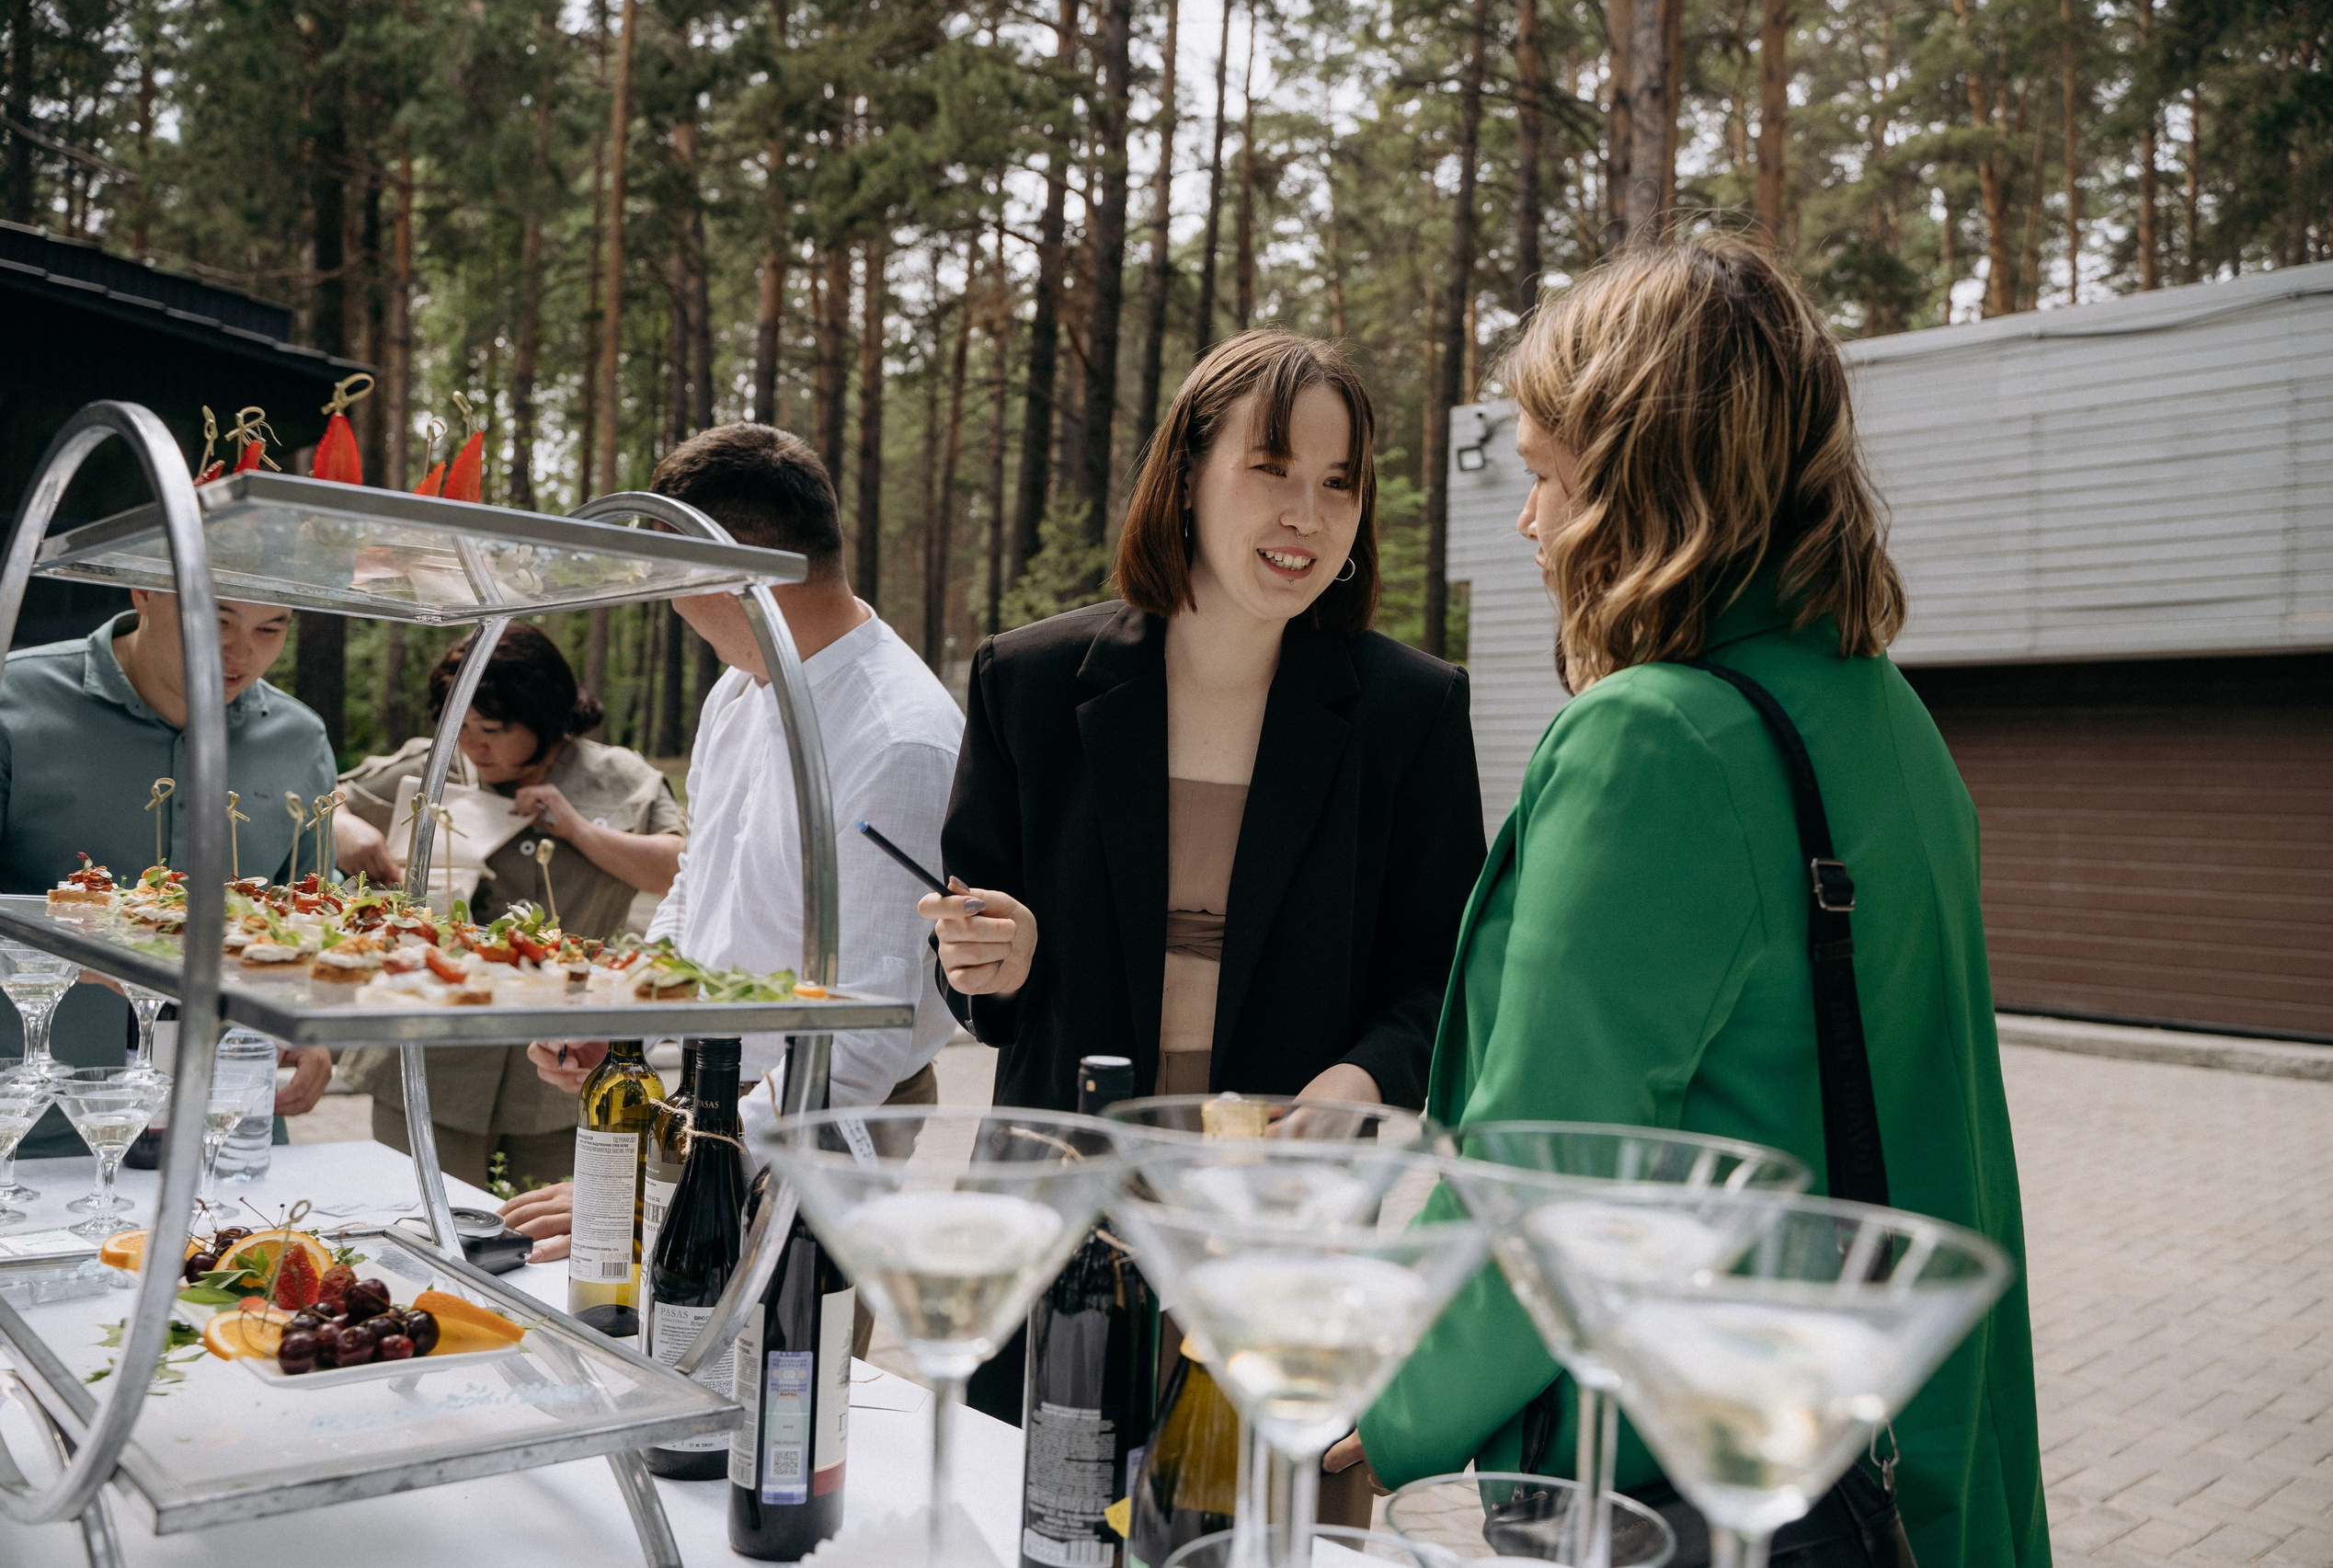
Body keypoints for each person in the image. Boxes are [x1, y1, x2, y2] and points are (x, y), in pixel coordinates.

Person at [1332, 239, 2049, 1568]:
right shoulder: (1884, 714)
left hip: (1679, 1460)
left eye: (1545, 474)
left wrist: (1379, 1408)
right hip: (1895, 1442)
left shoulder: (1654, 741)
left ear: (1641, 482)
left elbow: (1549, 1165)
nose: (1528, 522)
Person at [923, 330, 1486, 1114]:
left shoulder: (1413, 711)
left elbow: (1445, 977)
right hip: (1062, 1170)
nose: (1307, 516)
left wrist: (1360, 1081)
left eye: (1338, 483)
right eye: (1272, 469)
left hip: (1281, 1178)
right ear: (1186, 475)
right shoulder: (1026, 684)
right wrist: (995, 963)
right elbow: (966, 956)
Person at [500, 422, 965, 1257]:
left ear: (739, 574)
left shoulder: (898, 739)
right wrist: (626, 1020)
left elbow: (857, 1047)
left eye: (675, 578)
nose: (673, 605)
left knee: (775, 1344)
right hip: (714, 1090)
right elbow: (699, 887)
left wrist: (667, 1175)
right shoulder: (739, 693)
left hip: (819, 1127)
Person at [335, 622, 686, 1188]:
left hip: (566, 1065)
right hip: (433, 1061)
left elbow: (680, 867)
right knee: (417, 1219)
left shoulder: (620, 777)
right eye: (461, 726)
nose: (474, 745)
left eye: (493, 730)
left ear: (545, 717)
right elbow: (324, 798)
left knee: (553, 1228)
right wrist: (345, 828)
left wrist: (577, 830)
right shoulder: (433, 764)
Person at [0, 589, 337, 1158]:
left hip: (226, 1133)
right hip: (31, 1131)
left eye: (269, 630)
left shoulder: (299, 740)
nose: (240, 653)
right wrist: (81, 953)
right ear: (145, 593)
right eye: (216, 622)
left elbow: (311, 925)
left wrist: (308, 1027)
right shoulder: (14, 699)